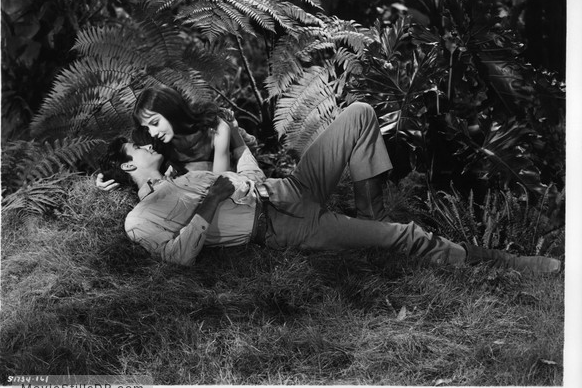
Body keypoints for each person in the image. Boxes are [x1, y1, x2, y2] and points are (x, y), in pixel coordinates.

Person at [99, 102, 561, 274]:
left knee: (359, 112)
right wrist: (213, 202)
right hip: (284, 229)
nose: (146, 141)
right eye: (136, 144)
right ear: (126, 163)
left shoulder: (182, 167)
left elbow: (237, 161)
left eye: (149, 131)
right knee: (407, 237)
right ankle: (509, 262)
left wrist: (241, 169)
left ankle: (369, 215)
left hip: (289, 188)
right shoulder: (140, 218)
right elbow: (178, 257)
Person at [97, 86, 250, 190]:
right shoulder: (149, 139)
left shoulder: (215, 129)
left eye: (155, 123)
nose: (152, 133)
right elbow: (125, 161)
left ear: (170, 111)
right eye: (147, 127)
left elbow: (219, 183)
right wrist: (102, 177)